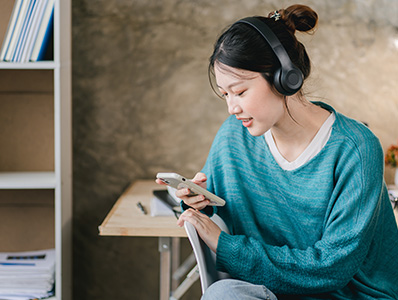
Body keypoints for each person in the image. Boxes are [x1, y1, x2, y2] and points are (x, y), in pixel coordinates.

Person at [157, 4, 398, 299]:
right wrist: (198, 203)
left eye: (240, 92)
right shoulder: (233, 138)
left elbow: (331, 268)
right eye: (225, 95)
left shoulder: (356, 148)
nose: (232, 108)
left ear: (285, 77)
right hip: (272, 291)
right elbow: (218, 210)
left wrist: (225, 245)